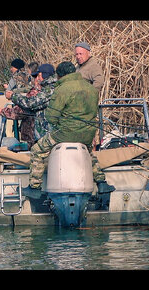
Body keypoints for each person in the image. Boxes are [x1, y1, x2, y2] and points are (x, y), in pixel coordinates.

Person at [27, 61, 115, 195]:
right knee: (89, 154)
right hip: (87, 134)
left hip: (64, 134)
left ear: (60, 76)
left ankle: (34, 188)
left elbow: (51, 117)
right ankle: (102, 184)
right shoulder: (91, 88)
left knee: (37, 150)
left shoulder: (62, 89)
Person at [2, 63, 58, 148]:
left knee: (36, 155)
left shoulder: (47, 90)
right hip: (41, 135)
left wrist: (11, 99)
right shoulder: (51, 88)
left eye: (37, 76)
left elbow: (29, 105)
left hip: (42, 135)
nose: (36, 79)